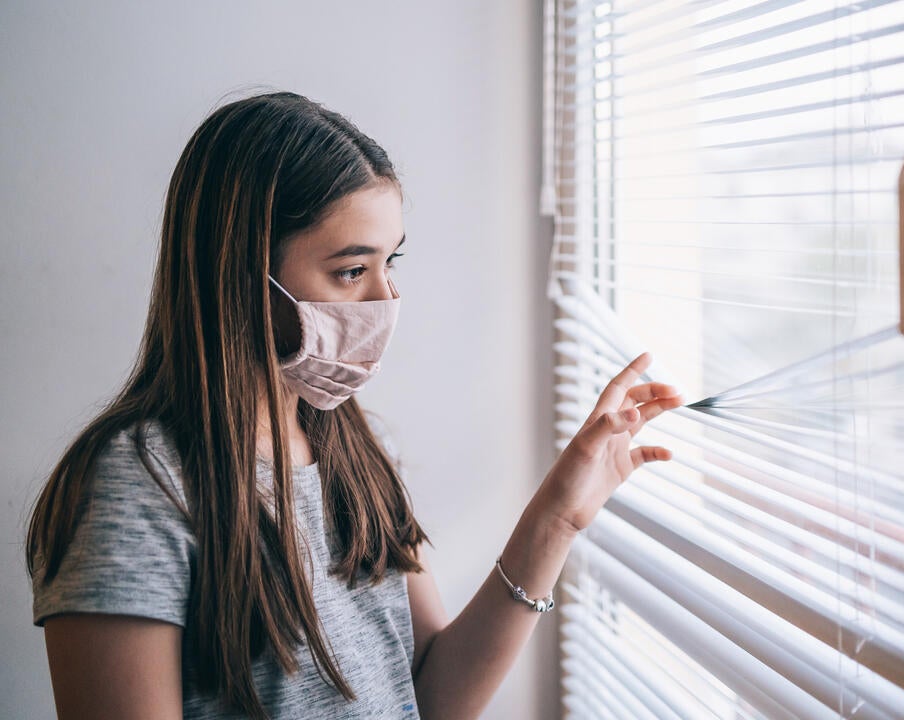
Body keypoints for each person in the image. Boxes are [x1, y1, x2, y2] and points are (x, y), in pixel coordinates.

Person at [24, 90, 683, 719]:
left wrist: (558, 517)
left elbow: (428, 700)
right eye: (350, 271)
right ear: (239, 273)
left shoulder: (354, 447)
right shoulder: (134, 488)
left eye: (389, 262)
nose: (384, 300)